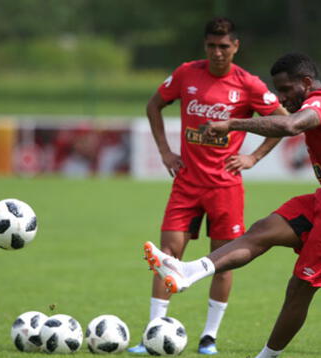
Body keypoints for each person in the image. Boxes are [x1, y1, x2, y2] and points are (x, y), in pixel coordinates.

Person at [142, 52, 321, 358]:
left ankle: (266, 356)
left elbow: (292, 126)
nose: (282, 97)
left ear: (306, 83)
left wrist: (233, 123)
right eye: (278, 90)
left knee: (299, 289)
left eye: (286, 89)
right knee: (263, 229)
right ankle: (188, 271)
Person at [128, 17, 288, 355]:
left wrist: (254, 157)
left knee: (223, 259)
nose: (217, 52)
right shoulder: (187, 73)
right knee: (166, 257)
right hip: (186, 182)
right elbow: (153, 105)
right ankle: (153, 333)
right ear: (205, 45)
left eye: (224, 46)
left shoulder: (248, 83)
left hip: (225, 187)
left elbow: (283, 120)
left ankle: (209, 337)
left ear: (235, 47)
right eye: (212, 46)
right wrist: (165, 151)